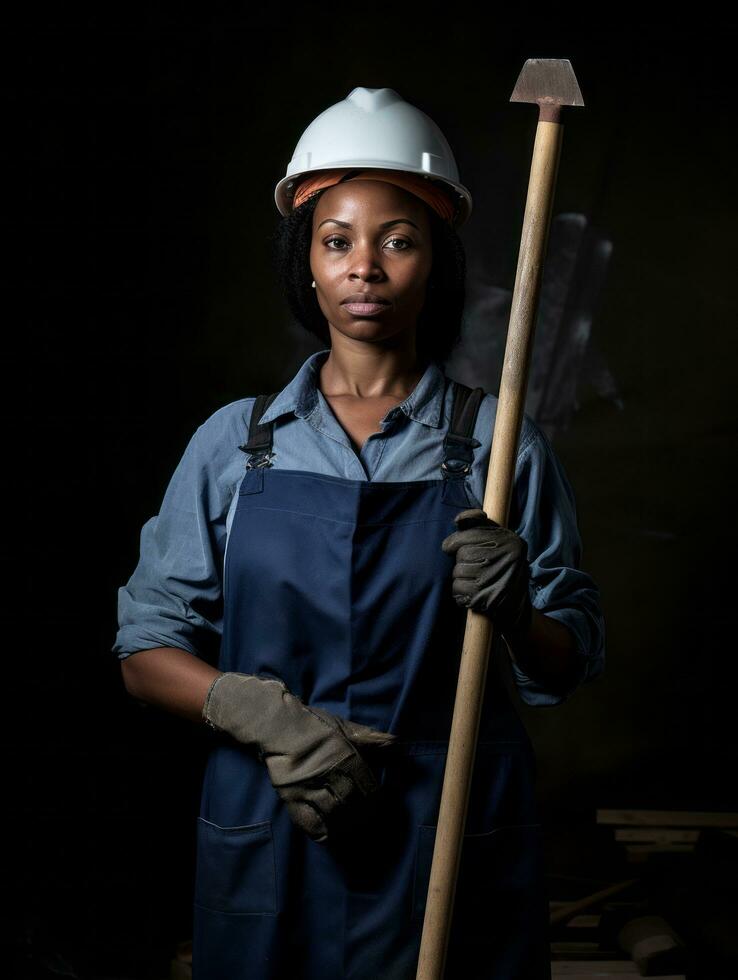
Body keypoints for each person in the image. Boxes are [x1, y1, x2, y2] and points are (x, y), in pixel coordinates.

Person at [113, 87, 605, 980]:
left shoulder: (498, 447)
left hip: (448, 827)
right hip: (273, 824)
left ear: (437, 264)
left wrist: (520, 605)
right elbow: (145, 647)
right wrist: (259, 714)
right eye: (336, 239)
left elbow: (564, 664)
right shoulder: (237, 443)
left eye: (398, 240)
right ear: (305, 261)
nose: (364, 267)